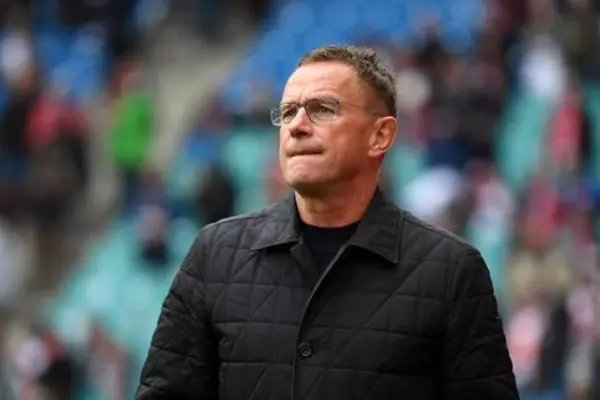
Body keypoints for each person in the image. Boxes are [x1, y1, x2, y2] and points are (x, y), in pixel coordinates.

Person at [137, 45, 518, 400]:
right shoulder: (214, 255)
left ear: (380, 135)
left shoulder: (452, 272)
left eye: (322, 109)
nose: (297, 126)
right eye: (288, 112)